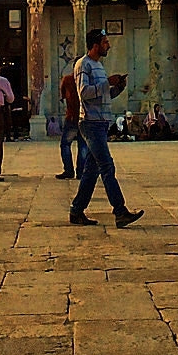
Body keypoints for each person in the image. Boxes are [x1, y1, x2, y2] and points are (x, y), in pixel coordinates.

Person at [69, 29, 143, 228]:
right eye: (105, 42)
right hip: (90, 123)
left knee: (91, 171)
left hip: (101, 123)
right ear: (95, 45)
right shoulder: (83, 65)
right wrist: (106, 83)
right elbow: (84, 93)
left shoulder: (98, 66)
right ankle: (120, 211)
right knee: (107, 166)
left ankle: (77, 211)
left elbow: (103, 95)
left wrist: (118, 87)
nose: (108, 45)